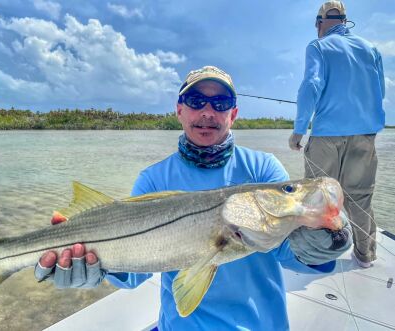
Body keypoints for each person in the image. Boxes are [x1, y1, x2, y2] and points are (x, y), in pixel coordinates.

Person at [36, 65, 352, 330]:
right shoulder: (153, 179)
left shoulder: (262, 168)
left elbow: (289, 253)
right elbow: (135, 274)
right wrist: (95, 267)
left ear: (234, 113)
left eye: (221, 102)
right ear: (179, 110)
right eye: (196, 100)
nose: (207, 112)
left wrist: (322, 243)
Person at [288, 1, 385, 269]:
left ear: (321, 22)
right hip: (365, 136)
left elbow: (311, 85)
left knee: (317, 198)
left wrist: (299, 130)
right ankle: (365, 256)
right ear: (344, 20)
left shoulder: (317, 46)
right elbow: (381, 93)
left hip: (326, 137)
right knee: (360, 198)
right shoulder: (372, 49)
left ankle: (315, 256)